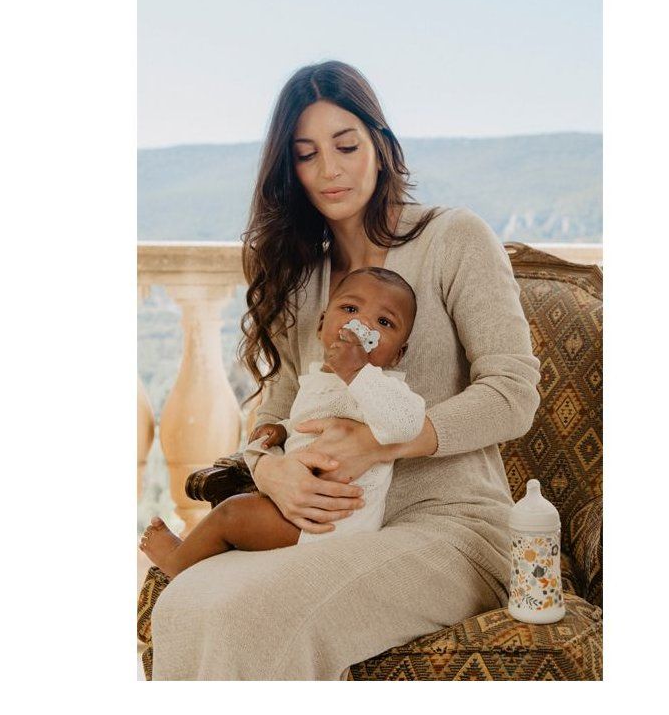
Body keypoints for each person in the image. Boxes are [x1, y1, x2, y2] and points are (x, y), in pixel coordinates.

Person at [149, 60, 541, 680]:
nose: (329, 169)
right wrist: (269, 469)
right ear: (291, 170)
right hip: (320, 529)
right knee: (187, 602)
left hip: (451, 527)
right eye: (306, 155)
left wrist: (382, 443)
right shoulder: (301, 277)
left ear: (380, 146)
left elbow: (513, 393)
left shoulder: (453, 239)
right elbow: (276, 411)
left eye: (346, 145)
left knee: (255, 617)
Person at [138, 266, 426, 577]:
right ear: (322, 325)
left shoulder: (384, 387)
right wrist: (283, 430)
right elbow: (311, 425)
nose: (362, 324)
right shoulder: (319, 380)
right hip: (303, 508)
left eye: (384, 322)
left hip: (335, 523)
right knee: (240, 515)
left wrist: (357, 373)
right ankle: (198, 559)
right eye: (350, 309)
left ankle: (177, 561)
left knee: (232, 514)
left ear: (398, 354)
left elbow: (407, 424)